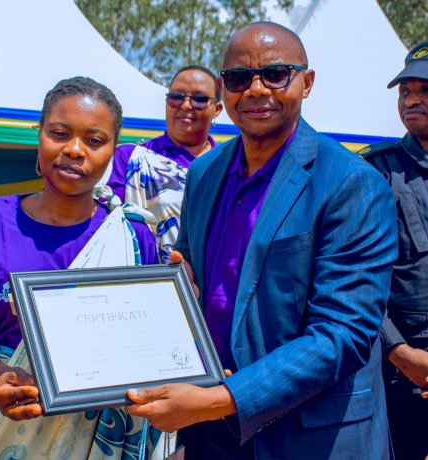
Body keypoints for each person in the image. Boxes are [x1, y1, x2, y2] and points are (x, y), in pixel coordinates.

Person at [126, 22, 397, 459]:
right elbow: (191, 274)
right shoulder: (205, 173)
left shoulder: (351, 182)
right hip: (210, 430)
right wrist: (179, 288)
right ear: (223, 88)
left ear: (307, 82)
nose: (255, 89)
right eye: (238, 78)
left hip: (309, 434)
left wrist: (220, 399)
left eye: (275, 74)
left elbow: (342, 333)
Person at [0, 77, 162, 459]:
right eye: (60, 133)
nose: (74, 150)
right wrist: (0, 376)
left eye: (94, 140)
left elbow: (148, 345)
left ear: (113, 150)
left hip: (98, 432)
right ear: (39, 135)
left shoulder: (132, 237)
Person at [363, 39, 428, 460]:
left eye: (427, 89)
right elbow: (352, 278)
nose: (411, 100)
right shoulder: (373, 171)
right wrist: (397, 350)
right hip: (397, 377)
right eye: (406, 91)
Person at [105, 65, 222, 262]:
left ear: (217, 109)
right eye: (176, 97)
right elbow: (106, 220)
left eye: (199, 99)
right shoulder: (131, 158)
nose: (185, 105)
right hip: (150, 276)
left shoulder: (229, 163)